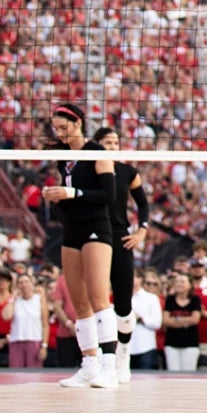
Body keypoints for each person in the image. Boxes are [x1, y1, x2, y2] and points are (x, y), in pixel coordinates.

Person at [40, 104, 119, 388]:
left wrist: (71, 192)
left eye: (64, 128)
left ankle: (110, 367)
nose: (59, 134)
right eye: (56, 129)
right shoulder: (63, 156)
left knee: (99, 298)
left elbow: (108, 196)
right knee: (79, 301)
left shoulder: (96, 151)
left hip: (97, 226)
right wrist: (56, 195)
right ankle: (89, 365)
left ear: (79, 123)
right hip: (71, 228)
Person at [91, 127, 151, 384]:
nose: (113, 146)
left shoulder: (127, 172)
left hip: (120, 237)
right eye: (108, 142)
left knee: (124, 304)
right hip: (94, 234)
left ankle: (123, 353)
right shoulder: (88, 168)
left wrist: (142, 231)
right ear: (98, 145)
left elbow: (143, 204)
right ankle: (98, 360)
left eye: (116, 142)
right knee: (95, 300)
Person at [162, 272, 203, 372]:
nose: (179, 284)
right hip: (171, 344)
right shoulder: (170, 300)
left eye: (182, 282)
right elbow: (166, 320)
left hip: (190, 344)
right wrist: (185, 321)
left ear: (190, 285)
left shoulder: (195, 300)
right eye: (177, 282)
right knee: (172, 374)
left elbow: (195, 319)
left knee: (188, 374)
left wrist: (176, 319)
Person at [8, 272, 48, 368]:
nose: (24, 285)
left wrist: (44, 345)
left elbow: (45, 324)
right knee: (15, 375)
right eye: (20, 282)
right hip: (16, 341)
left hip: (34, 341)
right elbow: (6, 316)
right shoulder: (15, 300)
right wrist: (12, 298)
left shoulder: (39, 299)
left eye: (26, 281)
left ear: (31, 283)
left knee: (34, 376)